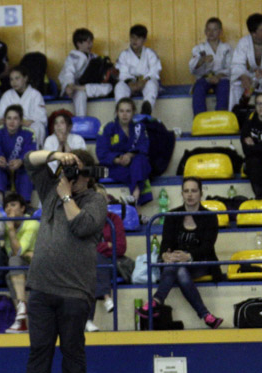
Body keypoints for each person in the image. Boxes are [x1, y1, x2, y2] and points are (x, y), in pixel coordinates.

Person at [2, 149, 107, 373]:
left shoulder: (96, 199)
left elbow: (83, 225)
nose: (70, 173)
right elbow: (28, 161)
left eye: (76, 168)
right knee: (39, 349)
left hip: (75, 289)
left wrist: (66, 196)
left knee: (73, 351)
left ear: (88, 174)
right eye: (69, 167)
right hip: (40, 287)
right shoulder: (50, 188)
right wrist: (57, 155)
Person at [137, 177, 223, 329]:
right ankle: (206, 316)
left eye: (194, 191)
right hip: (176, 263)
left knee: (177, 267)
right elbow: (165, 245)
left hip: (200, 262)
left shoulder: (210, 217)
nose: (190, 195)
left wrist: (188, 256)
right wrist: (165, 255)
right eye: (186, 191)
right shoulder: (172, 215)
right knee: (179, 269)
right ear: (182, 194)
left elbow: (208, 247)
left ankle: (155, 302)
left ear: (201, 194)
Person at [97, 98, 150, 204]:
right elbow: (101, 153)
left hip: (135, 163)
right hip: (114, 166)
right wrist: (118, 160)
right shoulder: (107, 128)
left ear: (133, 112)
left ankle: (134, 197)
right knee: (138, 173)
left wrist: (129, 156)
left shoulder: (139, 127)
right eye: (121, 111)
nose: (124, 114)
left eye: (128, 111)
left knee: (140, 160)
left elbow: (144, 148)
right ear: (117, 112)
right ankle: (136, 196)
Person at [3, 191, 39, 333]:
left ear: (22, 208)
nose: (9, 209)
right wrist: (27, 254)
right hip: (22, 265)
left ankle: (21, 320)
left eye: (13, 205)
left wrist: (11, 231)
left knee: (14, 266)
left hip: (39, 267)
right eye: (6, 206)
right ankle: (22, 311)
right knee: (11, 271)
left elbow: (17, 251)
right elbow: (13, 254)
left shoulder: (32, 223)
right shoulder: (5, 225)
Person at [86, 209, 126, 332]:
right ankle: (106, 297)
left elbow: (120, 248)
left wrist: (98, 248)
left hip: (113, 262)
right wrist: (107, 245)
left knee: (96, 261)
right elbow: (84, 248)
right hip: (89, 262)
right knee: (93, 265)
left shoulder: (114, 219)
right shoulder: (85, 220)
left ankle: (88, 321)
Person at [59, 28, 114, 117]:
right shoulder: (72, 57)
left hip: (86, 87)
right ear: (79, 44)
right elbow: (69, 72)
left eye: (91, 41)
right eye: (88, 42)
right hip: (73, 88)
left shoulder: (94, 57)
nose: (91, 44)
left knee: (109, 87)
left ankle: (82, 88)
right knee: (81, 95)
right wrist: (69, 85)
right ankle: (81, 122)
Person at [0, 105, 37, 203]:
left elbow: (30, 152)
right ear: (4, 120)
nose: (12, 122)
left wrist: (21, 160)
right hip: (3, 168)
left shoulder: (29, 133)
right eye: (9, 118)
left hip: (21, 168)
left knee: (27, 173)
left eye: (15, 118)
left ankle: (24, 202)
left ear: (21, 121)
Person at [0, 65, 47, 148]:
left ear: (25, 78)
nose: (14, 82)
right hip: (11, 124)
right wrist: (12, 122)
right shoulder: (7, 95)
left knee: (38, 127)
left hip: (28, 124)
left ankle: (30, 156)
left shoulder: (35, 94)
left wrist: (23, 122)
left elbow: (40, 117)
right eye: (11, 79)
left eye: (17, 78)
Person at [114, 25, 162, 116]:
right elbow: (123, 73)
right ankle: (121, 113)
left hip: (145, 82)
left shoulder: (150, 53)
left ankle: (146, 110)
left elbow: (154, 71)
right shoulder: (124, 55)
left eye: (138, 38)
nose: (135, 41)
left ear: (144, 40)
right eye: (132, 37)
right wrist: (131, 83)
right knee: (119, 86)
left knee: (152, 84)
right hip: (130, 84)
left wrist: (143, 82)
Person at [189, 18, 232, 115]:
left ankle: (221, 119)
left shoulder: (227, 48)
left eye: (215, 29)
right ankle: (200, 120)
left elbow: (231, 68)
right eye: (208, 30)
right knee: (198, 89)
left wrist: (218, 76)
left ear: (220, 31)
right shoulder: (199, 48)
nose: (211, 32)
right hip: (204, 79)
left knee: (225, 87)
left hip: (221, 78)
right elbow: (192, 69)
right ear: (205, 31)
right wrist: (201, 61)